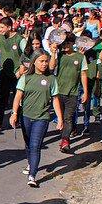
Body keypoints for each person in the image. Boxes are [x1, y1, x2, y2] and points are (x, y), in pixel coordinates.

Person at [10, 50, 64, 187]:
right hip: (26, 116)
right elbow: (17, 97)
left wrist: (60, 118)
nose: (45, 64)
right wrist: (14, 113)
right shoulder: (26, 78)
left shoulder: (52, 79)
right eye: (41, 61)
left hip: (42, 118)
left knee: (35, 146)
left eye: (46, 61)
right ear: (34, 62)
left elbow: (55, 99)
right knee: (28, 144)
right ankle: (30, 163)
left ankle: (32, 175)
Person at [49, 35, 88, 153]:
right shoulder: (59, 55)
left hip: (73, 92)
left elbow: (83, 74)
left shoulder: (80, 57)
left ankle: (65, 140)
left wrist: (85, 92)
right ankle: (63, 137)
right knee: (60, 118)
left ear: (72, 44)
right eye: (63, 44)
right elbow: (51, 67)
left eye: (68, 43)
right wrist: (53, 53)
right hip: (58, 92)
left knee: (68, 118)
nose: (65, 46)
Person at [0, 17, 23, 131]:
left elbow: (26, 55)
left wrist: (21, 70)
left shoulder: (20, 39)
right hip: (4, 72)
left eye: (2, 27)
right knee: (3, 98)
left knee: (18, 98)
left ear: (9, 27)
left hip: (17, 74)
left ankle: (17, 120)